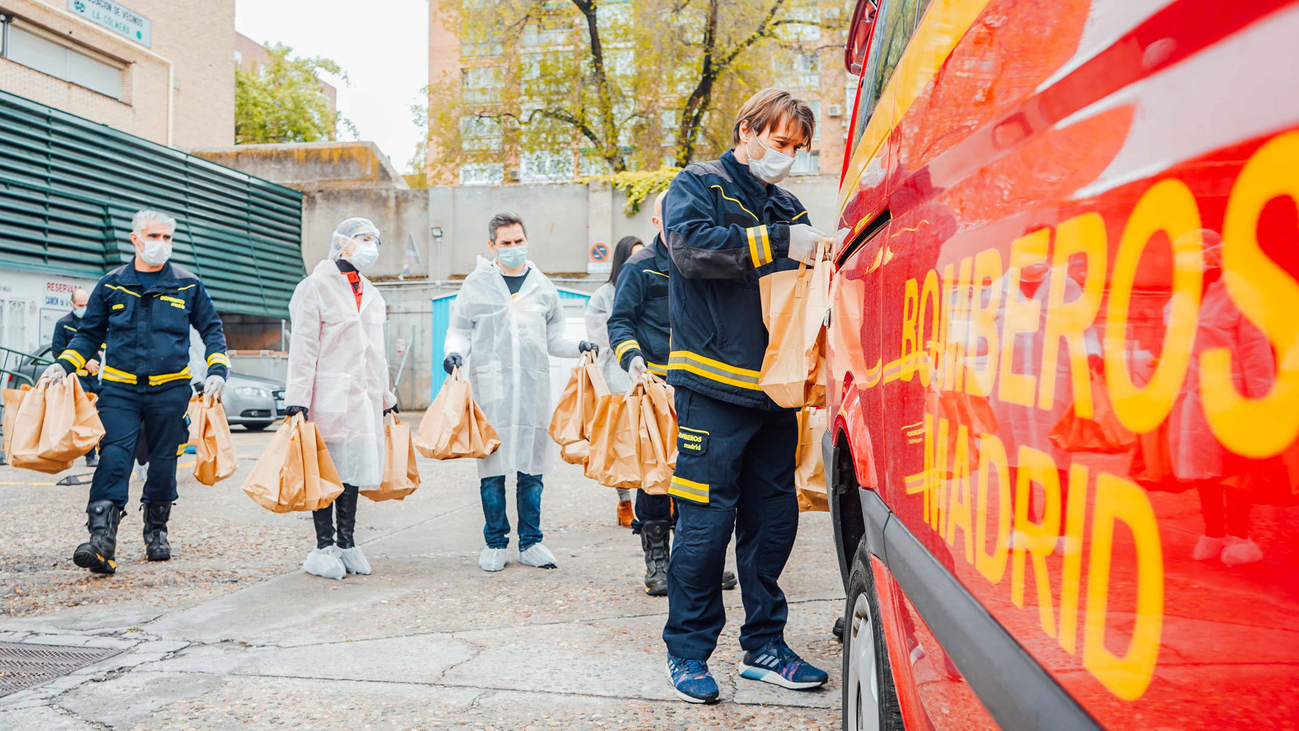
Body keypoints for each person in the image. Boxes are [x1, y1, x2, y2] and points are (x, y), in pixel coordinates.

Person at [658, 89, 829, 703]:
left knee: (773, 522)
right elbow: (692, 250)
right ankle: (688, 652)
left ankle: (763, 647)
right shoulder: (698, 184)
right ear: (747, 129)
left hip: (775, 391)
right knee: (705, 527)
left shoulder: (787, 203)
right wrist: (780, 241)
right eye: (779, 142)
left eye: (796, 148)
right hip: (712, 385)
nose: (786, 156)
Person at [42, 210, 229, 575]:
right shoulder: (111, 285)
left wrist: (217, 370)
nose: (161, 244)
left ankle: (156, 532)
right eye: (154, 236)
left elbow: (212, 330)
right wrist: (64, 364)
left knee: (163, 463)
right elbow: (88, 334)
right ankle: (101, 542)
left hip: (170, 390)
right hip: (119, 390)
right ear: (135, 239)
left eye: (167, 238)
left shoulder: (188, 285)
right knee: (114, 456)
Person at [444, 212, 598, 573]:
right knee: (492, 470)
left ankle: (531, 542)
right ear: (492, 246)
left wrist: (579, 345)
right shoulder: (476, 284)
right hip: (491, 389)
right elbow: (460, 330)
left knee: (532, 471)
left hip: (531, 390)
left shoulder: (542, 286)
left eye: (518, 241)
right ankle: (495, 542)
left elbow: (554, 337)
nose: (513, 248)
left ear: (526, 239)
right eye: (505, 243)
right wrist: (453, 353)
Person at [607, 191, 737, 597]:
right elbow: (620, 322)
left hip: (701, 387)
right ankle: (658, 562)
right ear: (657, 221)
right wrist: (633, 362)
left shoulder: (704, 264)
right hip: (657, 389)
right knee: (655, 479)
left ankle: (695, 563)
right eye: (671, 216)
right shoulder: (640, 267)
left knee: (700, 478)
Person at [283, 218, 398, 581]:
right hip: (326, 395)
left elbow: (375, 352)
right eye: (364, 239)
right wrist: (297, 398)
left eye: (376, 241)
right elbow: (303, 347)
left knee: (353, 472)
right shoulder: (314, 287)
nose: (371, 247)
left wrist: (385, 396)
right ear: (343, 242)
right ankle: (323, 546)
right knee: (327, 471)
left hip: (362, 399)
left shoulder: (372, 293)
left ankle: (346, 542)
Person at [584, 235, 644, 527]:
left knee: (652, 440)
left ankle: (660, 496)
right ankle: (624, 502)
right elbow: (600, 343)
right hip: (617, 379)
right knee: (623, 444)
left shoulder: (653, 284)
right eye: (633, 256)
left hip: (650, 378)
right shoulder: (603, 296)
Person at [51, 288, 102, 466]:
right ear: (72, 304)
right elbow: (57, 351)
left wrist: (102, 353)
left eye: (87, 304)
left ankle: (103, 451)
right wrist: (85, 361)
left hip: (97, 378)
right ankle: (90, 455)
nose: (84, 308)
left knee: (102, 415)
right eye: (81, 305)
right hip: (77, 379)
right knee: (83, 416)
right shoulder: (63, 324)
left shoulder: (96, 322)